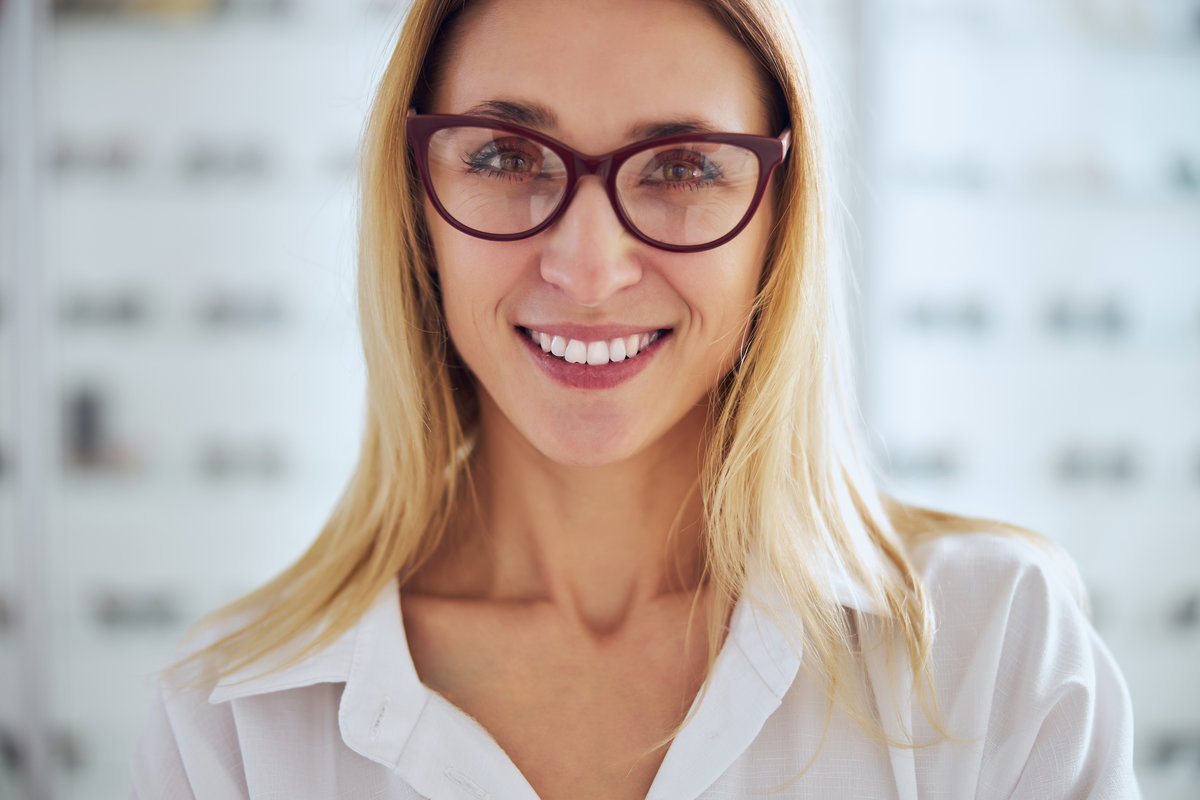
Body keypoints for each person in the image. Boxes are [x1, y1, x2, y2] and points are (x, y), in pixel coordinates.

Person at [132, 0, 1140, 797]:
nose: (588, 266)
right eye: (504, 156)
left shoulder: (993, 651)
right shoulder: (231, 722)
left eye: (684, 168)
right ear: (414, 204)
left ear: (776, 222)